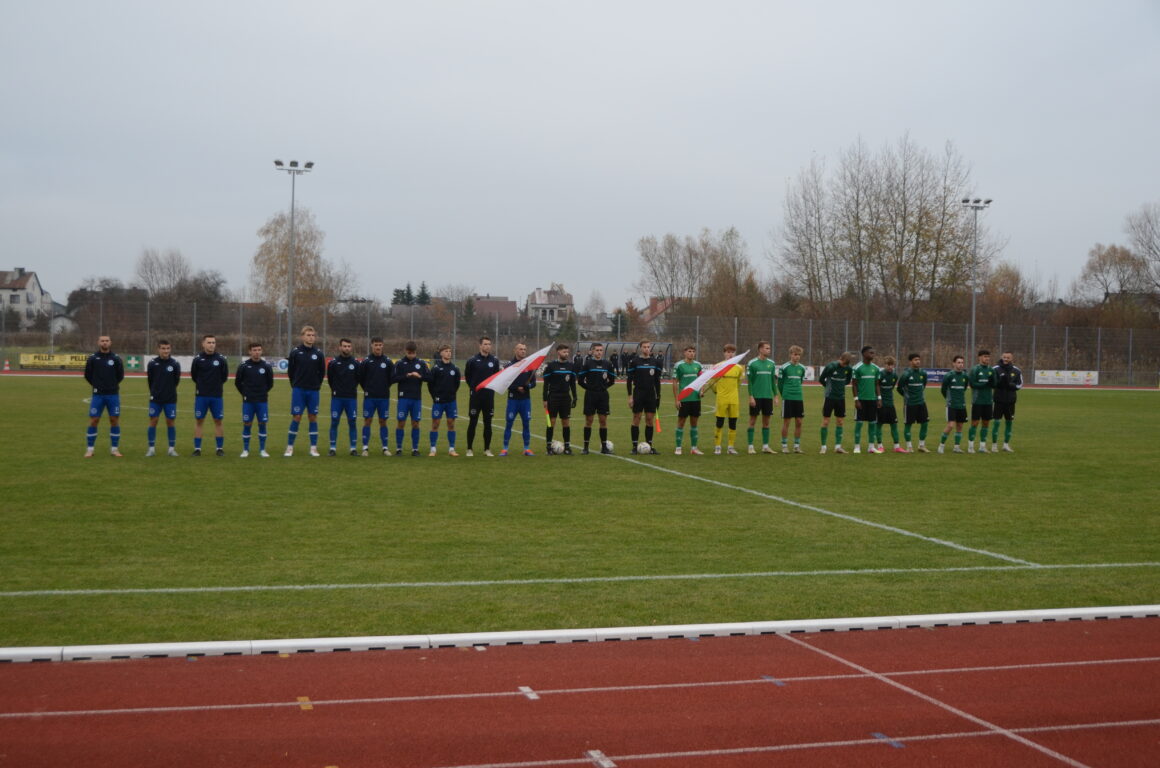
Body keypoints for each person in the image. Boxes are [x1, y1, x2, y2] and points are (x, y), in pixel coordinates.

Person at [285, 325, 326, 457]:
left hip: (313, 391)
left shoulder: (319, 354)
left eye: (313, 335)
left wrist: (316, 385)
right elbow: (291, 371)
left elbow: (321, 373)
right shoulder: (295, 352)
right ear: (302, 336)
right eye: (308, 335)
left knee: (313, 417)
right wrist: (295, 384)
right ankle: (289, 447)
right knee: (296, 417)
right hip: (299, 390)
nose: (311, 337)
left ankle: (313, 448)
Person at [84, 334, 125, 457]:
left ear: (110, 343)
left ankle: (114, 449)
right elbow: (88, 375)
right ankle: (90, 449)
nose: (105, 343)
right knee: (94, 420)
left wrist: (111, 385)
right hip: (98, 395)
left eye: (107, 341)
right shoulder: (92, 358)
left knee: (114, 420)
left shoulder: (116, 358)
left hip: (113, 395)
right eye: (102, 341)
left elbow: (120, 376)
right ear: (98, 343)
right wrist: (97, 385)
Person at [190, 334, 229, 456]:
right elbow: (194, 376)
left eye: (213, 342)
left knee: (218, 421)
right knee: (199, 421)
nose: (211, 345)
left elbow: (224, 376)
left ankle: (219, 448)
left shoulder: (221, 359)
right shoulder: (197, 359)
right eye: (209, 342)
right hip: (201, 395)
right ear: (203, 344)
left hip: (216, 396)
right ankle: (197, 449)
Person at [235, 342, 274, 457]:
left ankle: (262, 450)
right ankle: (245, 450)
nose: (257, 352)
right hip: (248, 401)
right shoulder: (243, 366)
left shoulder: (266, 366)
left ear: (261, 351)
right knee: (247, 423)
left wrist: (262, 392)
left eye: (259, 350)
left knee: (262, 423)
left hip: (262, 400)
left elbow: (270, 383)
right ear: (250, 352)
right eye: (254, 350)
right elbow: (238, 383)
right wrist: (245, 393)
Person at [463, 336, 500, 457]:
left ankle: (487, 449)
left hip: (489, 397)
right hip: (475, 397)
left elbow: (496, 377)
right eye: (485, 344)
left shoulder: (494, 360)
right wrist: (474, 388)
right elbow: (468, 377)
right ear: (480, 346)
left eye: (489, 344)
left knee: (488, 423)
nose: (488, 346)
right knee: (473, 422)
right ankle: (469, 449)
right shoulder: (472, 360)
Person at [393, 340, 430, 457]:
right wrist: (406, 376)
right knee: (401, 422)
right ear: (405, 351)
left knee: (415, 423)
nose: (411, 355)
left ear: (416, 352)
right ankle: (399, 448)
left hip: (416, 399)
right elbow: (393, 378)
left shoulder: (421, 363)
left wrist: (420, 376)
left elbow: (429, 378)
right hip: (403, 398)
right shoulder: (399, 363)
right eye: (409, 353)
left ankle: (415, 449)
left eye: (413, 353)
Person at [578, 341, 616, 454]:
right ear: (592, 351)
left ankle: (604, 447)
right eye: (597, 350)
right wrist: (589, 388)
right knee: (589, 420)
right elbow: (580, 380)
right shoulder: (588, 364)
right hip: (590, 395)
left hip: (603, 396)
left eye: (600, 350)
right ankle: (585, 448)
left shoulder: (608, 364)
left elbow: (612, 380)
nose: (599, 352)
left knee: (603, 421)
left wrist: (603, 387)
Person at [145, 339, 180, 457]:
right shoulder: (152, 363)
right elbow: (150, 380)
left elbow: (176, 381)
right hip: (155, 399)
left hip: (170, 399)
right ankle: (151, 449)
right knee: (153, 421)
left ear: (170, 349)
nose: (166, 351)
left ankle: (171, 449)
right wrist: (155, 392)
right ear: (158, 349)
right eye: (163, 348)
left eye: (168, 348)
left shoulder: (175, 364)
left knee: (170, 422)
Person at [626, 340, 662, 454]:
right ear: (640, 348)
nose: (647, 349)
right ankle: (634, 446)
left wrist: (658, 396)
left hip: (651, 394)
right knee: (636, 418)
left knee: (649, 419)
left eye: (648, 347)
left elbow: (657, 381)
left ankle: (649, 446)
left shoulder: (655, 362)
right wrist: (630, 396)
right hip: (638, 393)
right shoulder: (635, 361)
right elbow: (629, 380)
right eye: (644, 347)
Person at [358, 337, 393, 456]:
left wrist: (383, 388)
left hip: (383, 397)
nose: (378, 347)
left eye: (380, 345)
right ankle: (365, 448)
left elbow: (391, 379)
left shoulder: (388, 361)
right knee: (367, 420)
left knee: (383, 421)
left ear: (383, 346)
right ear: (371, 346)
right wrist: (368, 389)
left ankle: (385, 448)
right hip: (370, 397)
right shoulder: (366, 361)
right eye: (376, 345)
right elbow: (361, 379)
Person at [542, 343, 578, 454]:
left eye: (567, 352)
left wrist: (575, 397)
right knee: (551, 422)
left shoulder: (571, 366)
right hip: (553, 397)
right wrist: (545, 399)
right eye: (564, 352)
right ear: (558, 352)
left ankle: (567, 447)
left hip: (565, 398)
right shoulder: (551, 366)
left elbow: (572, 383)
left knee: (566, 422)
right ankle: (549, 447)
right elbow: (546, 384)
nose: (566, 354)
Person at [500, 342, 536, 456]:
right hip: (513, 400)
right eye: (521, 349)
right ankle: (505, 448)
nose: (523, 351)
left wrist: (527, 386)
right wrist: (516, 388)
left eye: (525, 349)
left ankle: (526, 448)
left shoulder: (529, 365)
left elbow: (534, 382)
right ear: (515, 350)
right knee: (509, 423)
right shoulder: (509, 365)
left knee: (526, 423)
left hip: (525, 400)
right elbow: (504, 382)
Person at [327, 338, 360, 456]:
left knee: (352, 422)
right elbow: (330, 380)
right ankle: (332, 448)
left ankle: (353, 448)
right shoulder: (333, 363)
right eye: (344, 346)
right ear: (340, 347)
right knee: (334, 422)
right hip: (337, 398)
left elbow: (358, 379)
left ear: (351, 348)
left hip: (351, 398)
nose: (347, 348)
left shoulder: (356, 363)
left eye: (349, 346)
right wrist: (337, 390)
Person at [709, 343, 743, 455]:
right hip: (722, 399)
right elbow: (712, 382)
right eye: (728, 352)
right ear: (724, 353)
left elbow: (738, 383)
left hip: (734, 399)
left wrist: (734, 392)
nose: (730, 354)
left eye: (732, 352)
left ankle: (731, 447)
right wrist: (717, 392)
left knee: (733, 423)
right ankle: (717, 446)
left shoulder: (739, 368)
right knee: (719, 423)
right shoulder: (718, 366)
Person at [745, 341, 778, 454]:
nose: (769, 350)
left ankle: (765, 446)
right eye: (767, 348)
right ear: (760, 349)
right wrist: (751, 397)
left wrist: (776, 395)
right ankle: (750, 446)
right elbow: (750, 382)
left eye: (769, 348)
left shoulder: (771, 364)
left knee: (766, 422)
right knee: (752, 421)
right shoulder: (752, 363)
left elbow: (773, 382)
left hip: (767, 397)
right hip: (756, 397)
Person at [428, 344, 461, 456]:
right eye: (446, 351)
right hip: (438, 402)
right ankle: (433, 449)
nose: (448, 353)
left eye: (450, 351)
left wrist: (451, 394)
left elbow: (457, 384)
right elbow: (430, 385)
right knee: (435, 424)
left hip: (451, 401)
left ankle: (451, 449)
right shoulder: (436, 368)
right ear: (441, 353)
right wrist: (435, 397)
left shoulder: (455, 369)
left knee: (451, 424)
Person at [818, 352, 853, 454]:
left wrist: (840, 387)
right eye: (843, 363)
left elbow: (847, 381)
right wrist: (828, 387)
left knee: (840, 422)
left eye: (846, 364)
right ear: (840, 358)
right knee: (825, 421)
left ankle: (838, 447)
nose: (844, 366)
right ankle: (823, 446)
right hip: (829, 397)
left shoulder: (849, 369)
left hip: (841, 398)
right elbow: (821, 379)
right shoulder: (831, 366)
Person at [672, 345, 704, 455]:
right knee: (681, 422)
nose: (691, 353)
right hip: (684, 399)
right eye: (689, 351)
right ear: (684, 352)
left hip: (695, 399)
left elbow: (702, 379)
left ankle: (694, 448)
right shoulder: (679, 365)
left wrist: (701, 390)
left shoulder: (698, 365)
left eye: (693, 351)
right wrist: (677, 399)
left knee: (694, 423)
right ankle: (678, 447)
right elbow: (675, 382)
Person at [851, 345, 882, 454]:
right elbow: (854, 385)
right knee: (859, 423)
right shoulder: (857, 368)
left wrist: (879, 398)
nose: (872, 355)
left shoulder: (876, 368)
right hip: (861, 400)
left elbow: (877, 385)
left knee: (872, 423)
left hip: (872, 400)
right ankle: (857, 446)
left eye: (873, 353)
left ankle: (871, 447)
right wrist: (856, 400)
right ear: (864, 354)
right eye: (870, 353)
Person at [897, 353, 930, 453]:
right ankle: (909, 446)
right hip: (910, 404)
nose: (918, 361)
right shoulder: (906, 374)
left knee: (924, 424)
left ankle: (921, 445)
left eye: (919, 359)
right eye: (915, 360)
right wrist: (907, 396)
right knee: (908, 425)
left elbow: (923, 385)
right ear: (910, 362)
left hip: (921, 403)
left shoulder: (923, 373)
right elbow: (899, 388)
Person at [991, 350, 1023, 453]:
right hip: (998, 400)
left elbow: (1020, 385)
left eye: (1008, 357)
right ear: (1001, 357)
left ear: (1011, 358)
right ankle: (994, 445)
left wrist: (1011, 385)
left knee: (1009, 423)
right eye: (1004, 357)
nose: (1006, 359)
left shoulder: (1017, 371)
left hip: (1010, 401)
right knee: (996, 423)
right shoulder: (995, 369)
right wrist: (999, 383)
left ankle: (1006, 445)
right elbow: (991, 382)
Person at [777, 345, 807, 454]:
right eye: (795, 354)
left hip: (798, 397)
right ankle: (784, 445)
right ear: (791, 355)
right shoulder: (784, 367)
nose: (797, 357)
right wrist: (784, 394)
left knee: (799, 422)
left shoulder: (802, 368)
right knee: (787, 422)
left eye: (799, 355)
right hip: (788, 397)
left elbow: (801, 382)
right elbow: (780, 384)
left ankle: (796, 446)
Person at [967, 349, 997, 454]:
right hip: (977, 401)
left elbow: (994, 384)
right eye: (985, 356)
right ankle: (970, 446)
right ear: (979, 357)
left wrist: (993, 381)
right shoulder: (975, 369)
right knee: (974, 423)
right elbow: (973, 384)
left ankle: (982, 446)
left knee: (986, 423)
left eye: (988, 356)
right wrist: (985, 384)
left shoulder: (991, 370)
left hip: (988, 401)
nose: (987, 358)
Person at [939, 355, 970, 454]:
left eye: (962, 362)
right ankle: (941, 446)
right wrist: (949, 399)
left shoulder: (965, 376)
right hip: (951, 405)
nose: (961, 364)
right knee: (951, 425)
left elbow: (964, 388)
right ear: (954, 363)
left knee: (960, 426)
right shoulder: (949, 376)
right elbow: (943, 390)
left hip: (962, 405)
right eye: (958, 362)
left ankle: (956, 447)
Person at [876, 356, 905, 453]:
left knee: (894, 425)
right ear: (885, 365)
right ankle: (880, 446)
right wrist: (879, 399)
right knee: (879, 425)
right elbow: (876, 387)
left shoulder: (895, 376)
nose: (890, 367)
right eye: (888, 365)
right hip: (881, 404)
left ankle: (897, 447)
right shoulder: (880, 374)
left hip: (890, 404)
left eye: (892, 365)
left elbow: (891, 388)